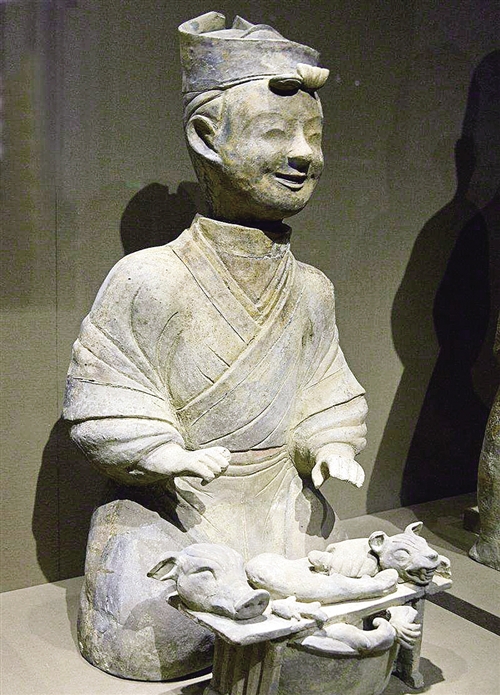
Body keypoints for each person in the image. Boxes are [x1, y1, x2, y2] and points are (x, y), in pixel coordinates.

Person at [63, 12, 370, 680]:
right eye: (276, 132)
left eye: (314, 136)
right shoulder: (149, 279)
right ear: (206, 136)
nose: (305, 155)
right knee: (159, 636)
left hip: (278, 506)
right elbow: (106, 392)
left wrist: (330, 443)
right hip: (175, 510)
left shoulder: (312, 289)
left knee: (331, 609)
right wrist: (163, 452)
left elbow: (325, 385)